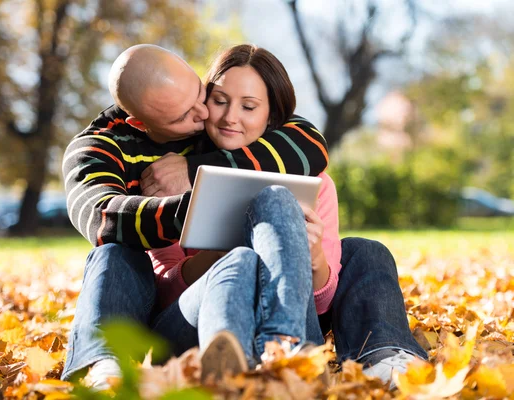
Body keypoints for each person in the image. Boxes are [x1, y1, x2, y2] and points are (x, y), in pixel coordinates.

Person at [147, 44, 428, 388]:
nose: (229, 117)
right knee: (244, 257)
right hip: (198, 322)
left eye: (248, 106)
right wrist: (218, 260)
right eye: (219, 100)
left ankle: (382, 355)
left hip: (298, 325)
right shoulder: (171, 176)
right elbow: (162, 293)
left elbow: (323, 302)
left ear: (272, 117)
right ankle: (273, 362)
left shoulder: (316, 184)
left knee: (367, 250)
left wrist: (313, 259)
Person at [61, 44, 330, 389]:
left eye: (202, 94)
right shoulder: (97, 149)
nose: (205, 114)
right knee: (112, 250)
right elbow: (102, 218)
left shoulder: (214, 121)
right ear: (140, 123)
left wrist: (194, 170)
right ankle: (101, 363)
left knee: (255, 244)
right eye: (184, 114)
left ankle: (278, 356)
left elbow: (307, 141)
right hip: (163, 305)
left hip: (227, 290)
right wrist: (201, 206)